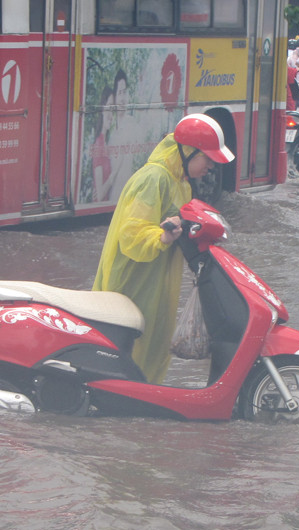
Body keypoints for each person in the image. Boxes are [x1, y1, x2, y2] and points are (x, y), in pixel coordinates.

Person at [93, 114, 234, 384]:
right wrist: (162, 237)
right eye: (207, 158)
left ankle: (141, 403)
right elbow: (132, 234)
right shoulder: (153, 178)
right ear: (188, 152)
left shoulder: (178, 181)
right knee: (132, 343)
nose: (211, 167)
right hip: (134, 281)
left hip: (157, 281)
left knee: (154, 343)